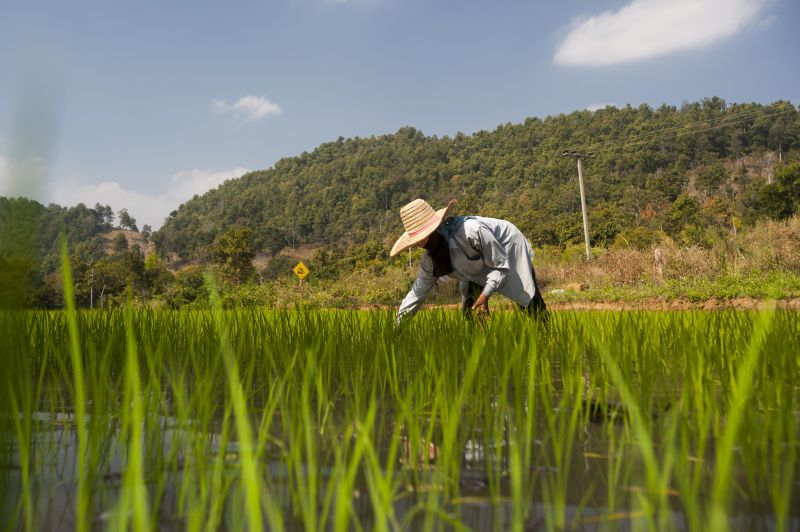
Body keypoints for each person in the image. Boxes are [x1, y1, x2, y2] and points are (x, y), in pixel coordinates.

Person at [391, 198, 548, 322]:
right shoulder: (430, 259)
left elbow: (500, 266)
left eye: (422, 237)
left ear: (435, 228)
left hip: (506, 247)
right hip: (474, 266)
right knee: (469, 308)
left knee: (526, 298)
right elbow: (417, 294)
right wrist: (396, 327)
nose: (420, 244)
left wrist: (485, 295)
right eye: (416, 240)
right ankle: (479, 347)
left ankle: (546, 334)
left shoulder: (471, 231)